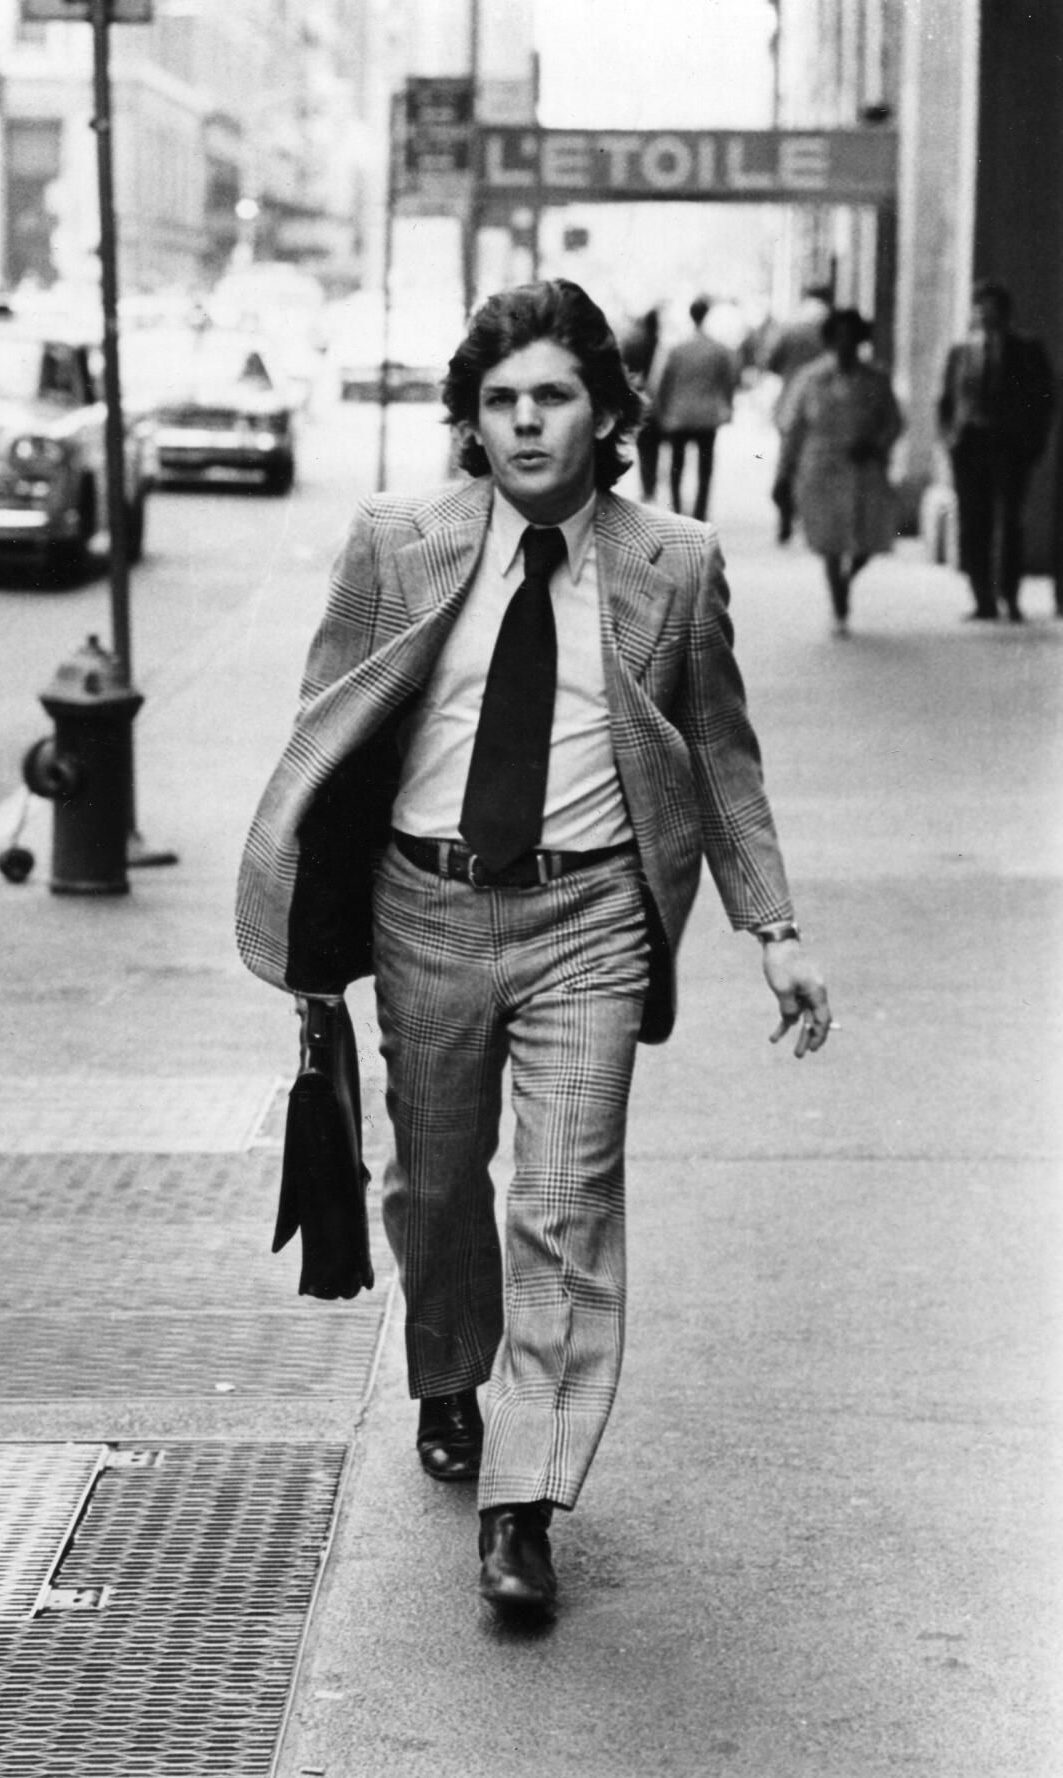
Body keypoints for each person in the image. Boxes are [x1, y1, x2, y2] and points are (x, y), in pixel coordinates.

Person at [236, 279, 832, 1620]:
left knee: (566, 1207)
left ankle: (524, 1499)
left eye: (552, 396)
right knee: (439, 1182)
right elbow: (326, 735)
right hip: (423, 905)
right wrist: (308, 925)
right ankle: (447, 1362)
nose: (524, 424)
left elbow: (720, 757)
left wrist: (774, 928)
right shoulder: (394, 542)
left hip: (593, 919)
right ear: (470, 419)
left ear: (608, 412)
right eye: (499, 401)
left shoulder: (674, 563)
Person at [774, 308, 902, 634]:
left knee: (870, 537)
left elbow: (894, 422)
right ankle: (839, 605)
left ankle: (847, 578)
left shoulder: (876, 378)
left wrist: (876, 443)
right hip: (820, 466)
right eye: (839, 336)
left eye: (852, 336)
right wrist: (783, 472)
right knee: (829, 540)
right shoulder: (810, 378)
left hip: (865, 466)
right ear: (830, 339)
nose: (845, 343)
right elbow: (792, 427)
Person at [937, 279, 1055, 621]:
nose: (985, 315)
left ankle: (1010, 596)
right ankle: (982, 599)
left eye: (992, 309)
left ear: (1005, 313)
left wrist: (1035, 442)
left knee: (1009, 522)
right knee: (974, 522)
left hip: (1008, 446)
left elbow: (1044, 398)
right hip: (970, 444)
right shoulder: (961, 352)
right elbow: (947, 400)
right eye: (980, 309)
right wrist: (949, 438)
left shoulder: (1027, 349)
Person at [653, 295, 738, 520]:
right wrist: (728, 408)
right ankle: (700, 512)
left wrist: (661, 410)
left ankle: (677, 508)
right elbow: (728, 382)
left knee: (676, 466)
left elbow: (660, 382)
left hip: (678, 415)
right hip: (707, 416)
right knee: (704, 468)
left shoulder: (676, 348)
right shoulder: (718, 349)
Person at [765, 282, 834, 540]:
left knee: (788, 462)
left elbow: (770, 361)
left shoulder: (790, 325)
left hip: (791, 402)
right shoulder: (831, 326)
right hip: (825, 405)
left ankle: (785, 516)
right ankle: (812, 519)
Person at [619, 304, 664, 501]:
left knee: (644, 447)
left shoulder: (632, 344)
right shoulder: (661, 345)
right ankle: (652, 486)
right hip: (659, 403)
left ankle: (647, 487)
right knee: (655, 448)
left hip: (640, 400)